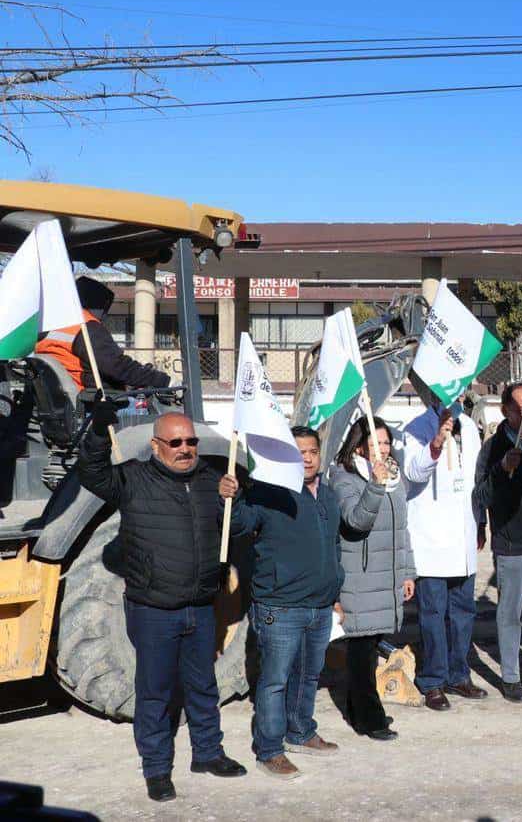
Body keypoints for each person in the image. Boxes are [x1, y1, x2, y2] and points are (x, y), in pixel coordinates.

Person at [78, 405, 245, 802]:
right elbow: (93, 473)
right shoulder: (133, 480)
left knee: (203, 685)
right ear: (156, 446)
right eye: (176, 442)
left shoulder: (210, 481)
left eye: (191, 441)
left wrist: (233, 499)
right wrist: (100, 429)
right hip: (153, 610)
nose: (185, 449)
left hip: (200, 607)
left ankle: (207, 753)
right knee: (154, 693)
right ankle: (156, 769)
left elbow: (228, 530)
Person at [227, 425, 344, 780]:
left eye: (311, 451)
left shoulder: (328, 495)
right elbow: (237, 527)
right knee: (275, 680)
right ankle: (270, 750)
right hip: (280, 606)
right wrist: (229, 499)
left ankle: (301, 731)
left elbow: (334, 545)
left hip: (320, 606)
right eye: (298, 452)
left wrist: (335, 593)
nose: (306, 458)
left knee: (309, 675)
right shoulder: (267, 493)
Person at [330, 416, 416, 740]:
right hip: (361, 577)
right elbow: (356, 520)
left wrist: (408, 572)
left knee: (369, 645)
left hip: (387, 576)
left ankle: (359, 709)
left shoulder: (393, 477)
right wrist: (376, 485)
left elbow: (401, 530)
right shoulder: (344, 478)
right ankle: (370, 718)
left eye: (385, 442)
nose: (382, 449)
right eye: (374, 444)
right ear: (359, 446)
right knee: (362, 649)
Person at [402, 398, 486, 711]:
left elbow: (476, 479)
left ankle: (458, 674)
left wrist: (481, 522)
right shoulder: (416, 427)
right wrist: (435, 444)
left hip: (463, 537)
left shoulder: (469, 427)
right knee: (433, 615)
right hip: (431, 539)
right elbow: (413, 472)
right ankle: (433, 681)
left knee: (464, 613)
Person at [473, 382, 522, 704]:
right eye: (518, 407)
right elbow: (479, 495)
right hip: (511, 541)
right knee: (510, 611)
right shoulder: (493, 448)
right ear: (505, 410)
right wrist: (502, 470)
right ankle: (510, 676)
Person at [36, 276, 169, 391]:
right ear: (98, 306)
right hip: (93, 402)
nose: (105, 317)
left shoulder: (51, 324)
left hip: (66, 400)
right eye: (105, 310)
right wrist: (162, 381)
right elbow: (119, 367)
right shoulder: (87, 327)